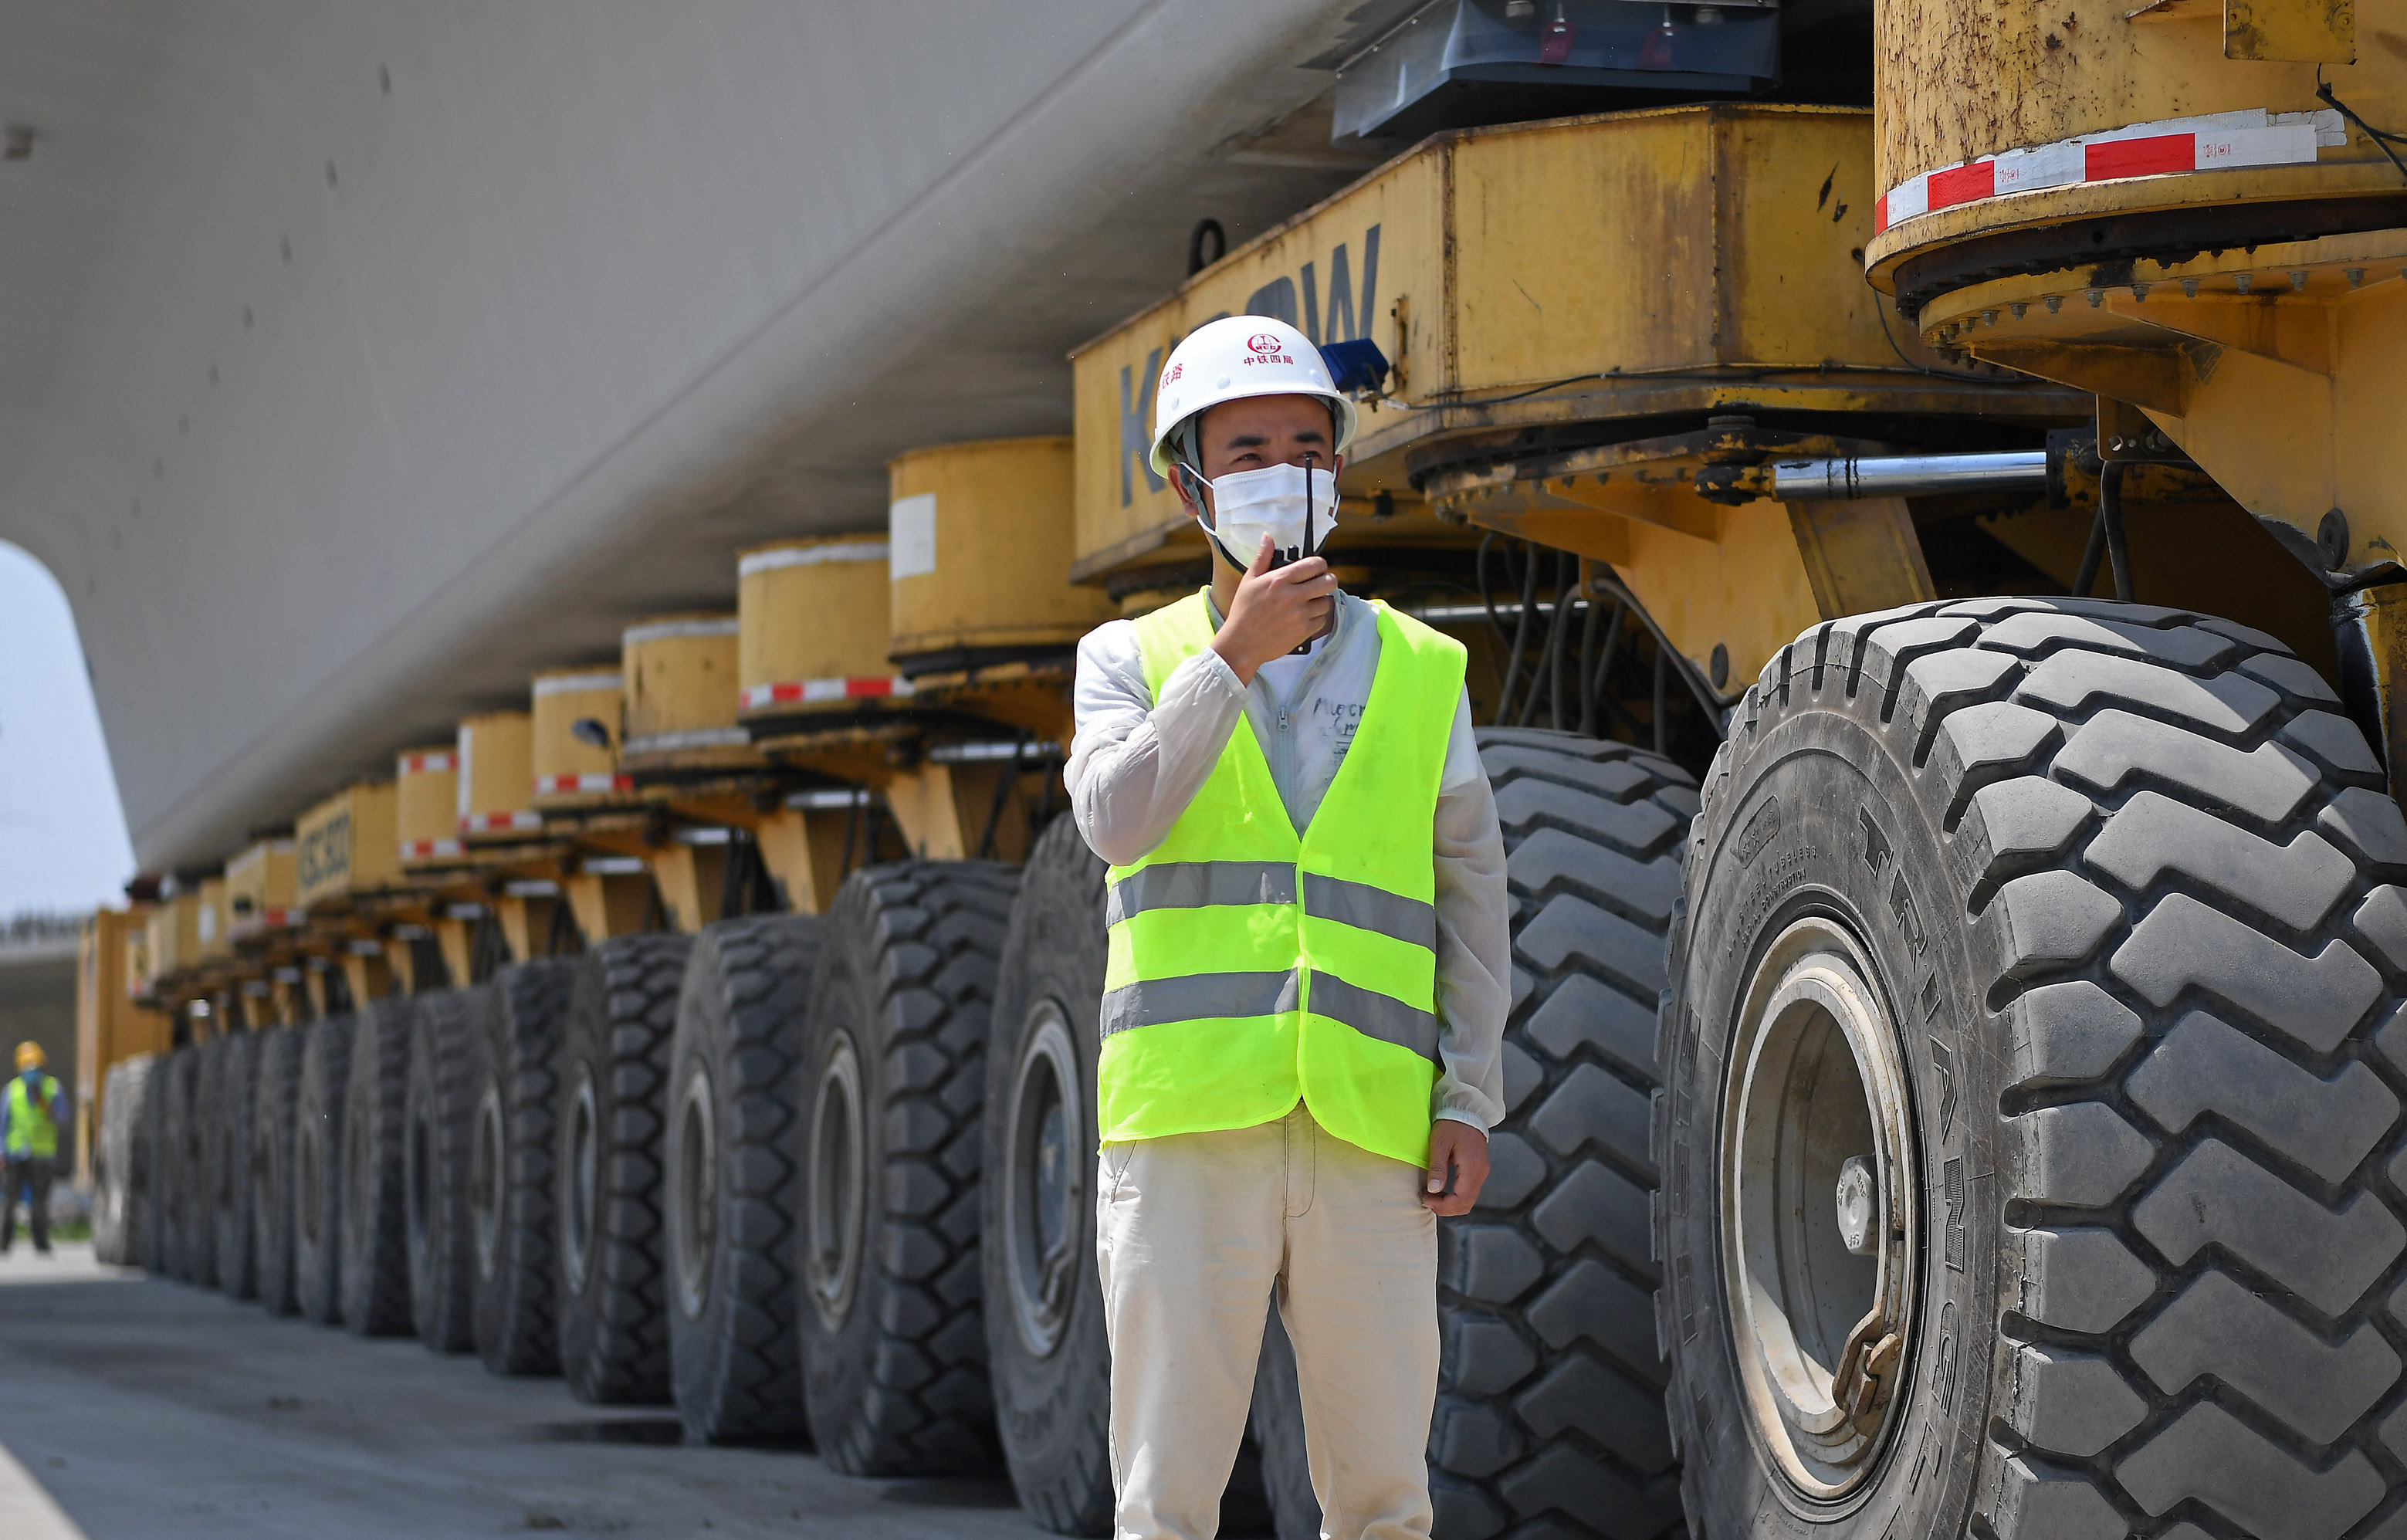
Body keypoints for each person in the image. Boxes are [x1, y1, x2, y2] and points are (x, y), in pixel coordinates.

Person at [1065, 314, 1509, 1540]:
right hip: (1186, 1131)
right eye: (1248, 443)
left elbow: (1468, 892)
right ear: (1186, 479)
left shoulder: (1424, 668)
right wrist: (1230, 659)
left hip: (1365, 1132)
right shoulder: (1129, 657)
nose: (1283, 467)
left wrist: (1466, 1093)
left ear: (1337, 473)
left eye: (1307, 444)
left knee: (1381, 1501)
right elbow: (1114, 818)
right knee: (1166, 1502)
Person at [2, 1041, 69, 1255]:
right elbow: (3, 1123)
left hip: (42, 1155)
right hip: (16, 1153)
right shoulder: (11, 1091)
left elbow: (62, 1117)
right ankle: (4, 1241)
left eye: (36, 1068)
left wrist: (42, 1101)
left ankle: (40, 1241)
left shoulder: (52, 1088)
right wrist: (1, 1152)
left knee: (40, 1202)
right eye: (27, 1067)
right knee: (10, 1200)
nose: (32, 1072)